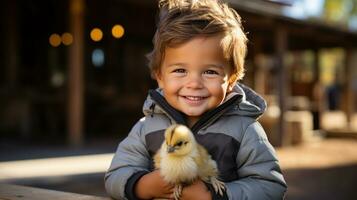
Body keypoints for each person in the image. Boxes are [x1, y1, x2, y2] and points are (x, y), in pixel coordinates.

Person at [105, 0, 287, 199]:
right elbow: (115, 175)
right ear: (160, 77)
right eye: (180, 70)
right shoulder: (147, 127)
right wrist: (143, 185)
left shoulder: (244, 130)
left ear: (232, 79)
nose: (194, 83)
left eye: (209, 72)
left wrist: (214, 196)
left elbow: (271, 187)